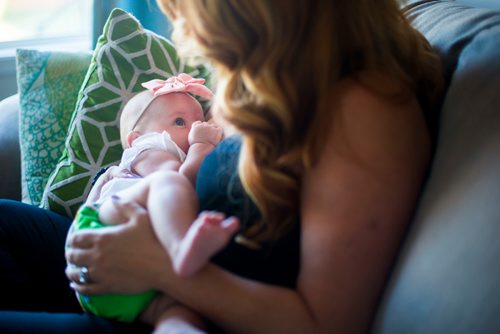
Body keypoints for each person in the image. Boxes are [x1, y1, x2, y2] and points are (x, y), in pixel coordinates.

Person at [0, 0, 444, 333]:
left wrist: (156, 267)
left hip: (177, 303)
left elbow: (325, 322)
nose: (182, 28)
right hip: (146, 256)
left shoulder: (363, 107)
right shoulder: (273, 80)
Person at [70, 73, 240, 328]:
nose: (194, 129)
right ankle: (180, 248)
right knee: (168, 183)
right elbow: (180, 178)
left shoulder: (175, 150)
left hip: (124, 283)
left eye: (199, 121)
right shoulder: (151, 148)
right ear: (135, 139)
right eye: (180, 121)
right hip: (110, 231)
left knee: (178, 313)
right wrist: (202, 145)